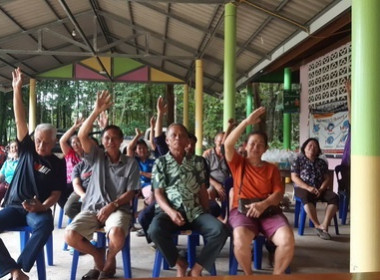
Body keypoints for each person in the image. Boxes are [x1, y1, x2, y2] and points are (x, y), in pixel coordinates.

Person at [64, 90, 140, 280]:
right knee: (69, 235)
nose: (110, 141)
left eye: (114, 138)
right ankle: (98, 255)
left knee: (116, 234)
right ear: (103, 142)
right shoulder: (97, 157)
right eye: (106, 138)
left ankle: (108, 261)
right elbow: (82, 135)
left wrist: (112, 205)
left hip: (117, 210)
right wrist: (96, 110)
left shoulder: (130, 163)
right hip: (91, 209)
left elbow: (131, 192)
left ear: (121, 140)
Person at [0, 67, 66, 280]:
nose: (41, 145)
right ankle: (15, 272)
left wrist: (44, 206)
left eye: (47, 142)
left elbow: (56, 192)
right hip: (13, 206)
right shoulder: (27, 149)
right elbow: (20, 120)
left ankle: (21, 268)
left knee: (46, 225)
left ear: (54, 142)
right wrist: (17, 89)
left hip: (37, 210)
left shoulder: (57, 163)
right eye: (38, 140)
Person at [147, 123, 228, 277]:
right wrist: (171, 212)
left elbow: (202, 190)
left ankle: (197, 269)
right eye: (173, 135)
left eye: (182, 135)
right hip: (169, 212)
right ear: (167, 140)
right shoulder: (160, 163)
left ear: (187, 142)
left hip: (195, 211)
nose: (178, 138)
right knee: (154, 231)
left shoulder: (197, 162)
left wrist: (207, 213)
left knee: (220, 230)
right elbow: (158, 193)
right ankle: (179, 262)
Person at [224, 107, 294, 275]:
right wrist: (246, 122)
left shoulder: (272, 169)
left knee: (287, 240)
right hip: (242, 211)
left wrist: (263, 204)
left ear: (265, 149)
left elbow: (278, 194)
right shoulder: (237, 163)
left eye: (260, 144)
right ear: (245, 146)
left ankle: (276, 276)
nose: (256, 147)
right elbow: (227, 144)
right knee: (240, 240)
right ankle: (249, 276)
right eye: (252, 144)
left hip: (268, 210)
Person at [291, 137, 339, 240]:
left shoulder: (321, 162)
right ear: (304, 148)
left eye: (315, 146)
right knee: (306, 197)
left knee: (334, 197)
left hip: (319, 189)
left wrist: (321, 189)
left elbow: (327, 178)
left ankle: (324, 226)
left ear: (318, 150)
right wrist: (308, 187)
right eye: (310, 145)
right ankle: (317, 225)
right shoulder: (298, 160)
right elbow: (294, 177)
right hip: (303, 188)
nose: (312, 148)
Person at [59, 118, 85, 208]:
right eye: (73, 143)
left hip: (83, 183)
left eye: (78, 142)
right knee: (58, 193)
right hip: (70, 183)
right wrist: (74, 127)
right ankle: (69, 211)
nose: (76, 144)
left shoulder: (88, 155)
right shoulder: (70, 154)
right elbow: (62, 141)